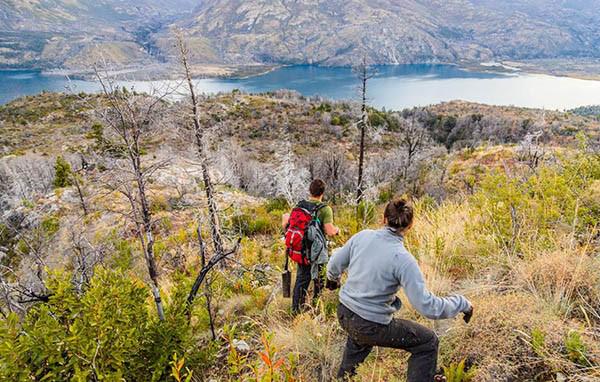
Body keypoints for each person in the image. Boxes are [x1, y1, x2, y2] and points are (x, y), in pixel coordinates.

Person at [326, 198, 473, 381]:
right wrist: (462, 303)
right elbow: (427, 306)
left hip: (345, 314)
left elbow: (334, 264)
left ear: (384, 218)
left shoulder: (362, 236)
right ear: (410, 226)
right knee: (428, 342)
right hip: (371, 324)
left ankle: (344, 378)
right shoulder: (403, 260)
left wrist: (332, 280)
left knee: (358, 342)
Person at [282, 179, 340, 313]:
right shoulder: (325, 209)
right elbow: (330, 231)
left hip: (302, 250)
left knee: (301, 280)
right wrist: (338, 231)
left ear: (310, 191)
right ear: (322, 193)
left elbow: (287, 224)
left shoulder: (300, 205)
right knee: (319, 279)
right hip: (317, 252)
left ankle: (296, 311)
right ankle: (316, 307)